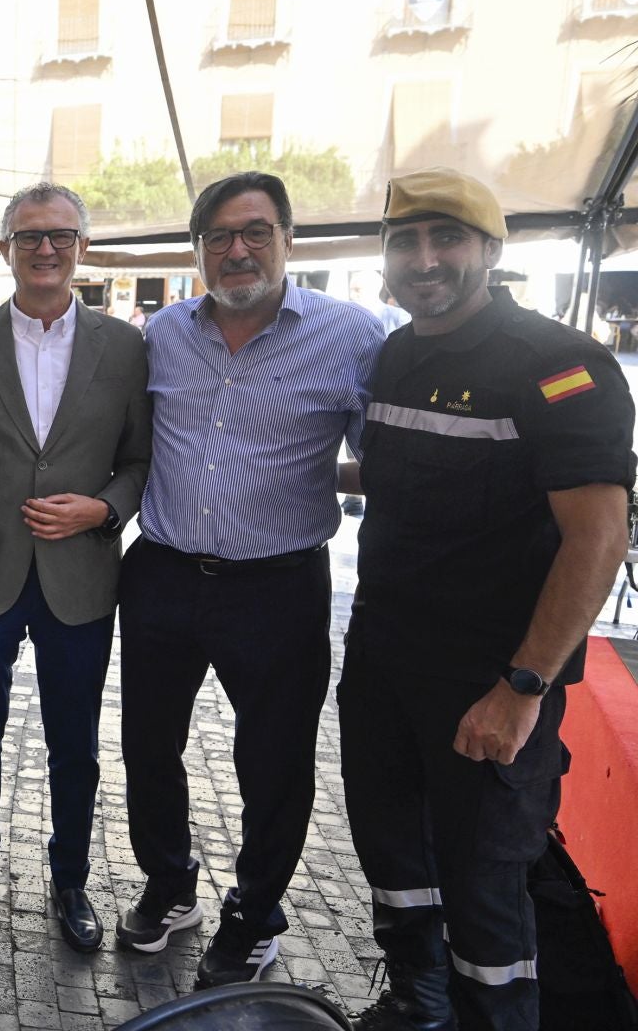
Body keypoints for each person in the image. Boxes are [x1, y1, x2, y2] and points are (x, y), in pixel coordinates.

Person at [340, 170, 634, 1031]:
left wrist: (524, 689)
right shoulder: (397, 354)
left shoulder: (559, 366)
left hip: (491, 678)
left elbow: (598, 538)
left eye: (447, 239)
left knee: (486, 883)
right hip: (386, 663)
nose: (425, 260)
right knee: (391, 850)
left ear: (491, 251)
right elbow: (401, 484)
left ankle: (492, 1019)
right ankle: (415, 1004)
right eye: (406, 241)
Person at [115, 172, 385, 987]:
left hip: (277, 586)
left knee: (273, 760)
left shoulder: (353, 338)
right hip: (161, 573)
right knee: (146, 747)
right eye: (219, 236)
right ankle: (170, 884)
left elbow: (390, 461)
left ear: (288, 240)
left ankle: (256, 913)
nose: (237, 250)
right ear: (197, 249)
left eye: (255, 232)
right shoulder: (161, 334)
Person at [0, 183, 151, 952]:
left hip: (82, 576)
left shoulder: (126, 347)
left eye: (60, 236)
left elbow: (139, 458)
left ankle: (70, 878)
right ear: (5, 248)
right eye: (29, 237)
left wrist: (104, 509)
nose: (46, 250)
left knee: (76, 741)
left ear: (82, 247)